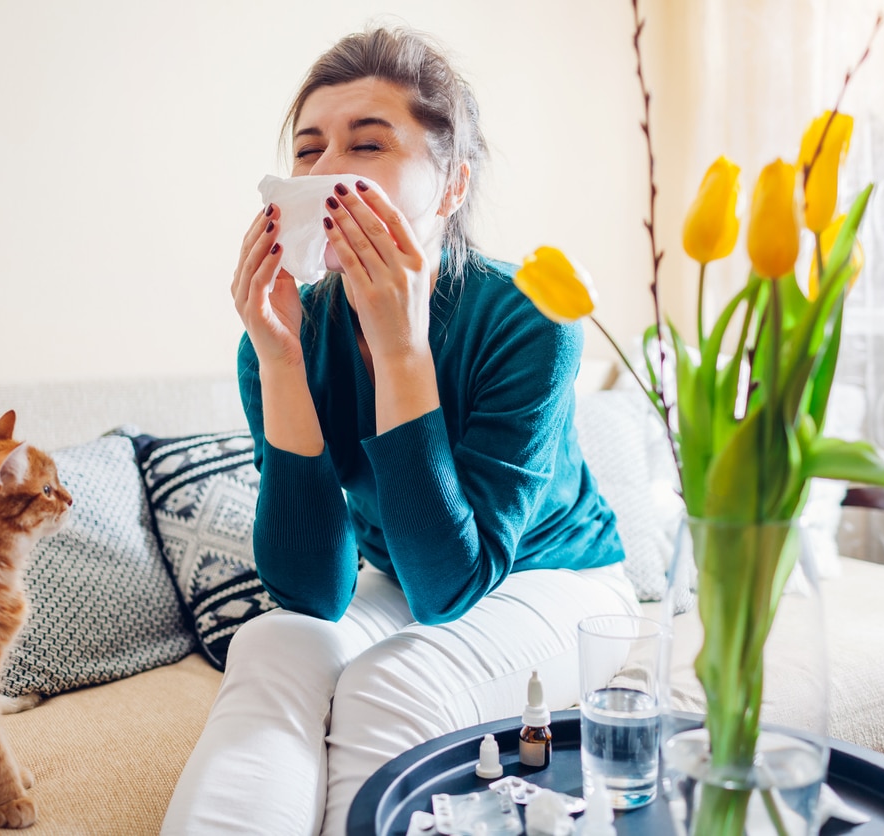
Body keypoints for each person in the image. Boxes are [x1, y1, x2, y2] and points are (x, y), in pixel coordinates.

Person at [161, 25, 637, 835]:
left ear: (451, 186)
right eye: (307, 152)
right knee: (274, 645)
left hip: (557, 581)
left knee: (392, 683)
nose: (324, 173)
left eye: (368, 144)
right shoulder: (284, 336)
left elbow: (452, 584)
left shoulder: (530, 315)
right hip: (411, 577)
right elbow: (313, 592)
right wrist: (279, 365)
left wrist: (400, 348)